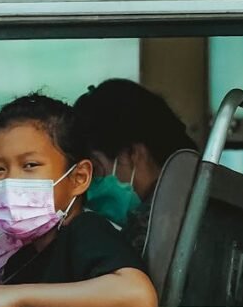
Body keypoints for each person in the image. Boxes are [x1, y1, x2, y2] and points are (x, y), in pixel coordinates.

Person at [0, 93, 157, 307]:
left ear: (79, 178)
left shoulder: (84, 229)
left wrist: (18, 296)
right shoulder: (27, 255)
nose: (10, 182)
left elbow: (137, 295)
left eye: (30, 165)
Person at [73, 79, 198, 253]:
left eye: (94, 169)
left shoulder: (155, 230)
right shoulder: (198, 201)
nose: (88, 188)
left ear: (132, 153)